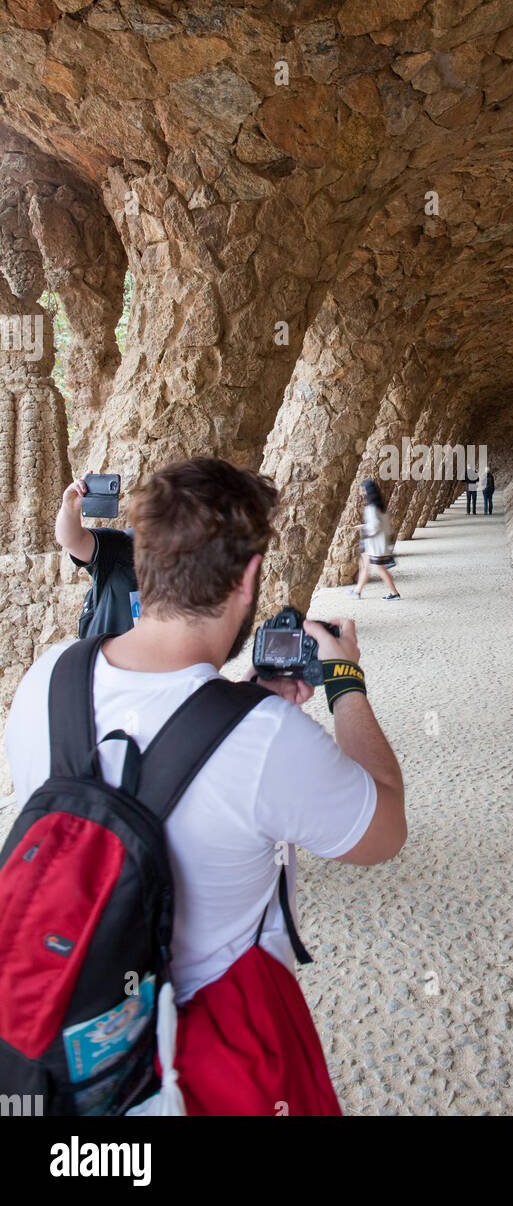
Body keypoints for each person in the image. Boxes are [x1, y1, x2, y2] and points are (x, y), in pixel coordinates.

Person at [7, 457, 406, 1116]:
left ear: (145, 560)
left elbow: (146, 735)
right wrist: (345, 682)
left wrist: (231, 711)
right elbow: (384, 828)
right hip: (206, 1061)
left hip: (67, 1042)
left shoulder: (47, 678)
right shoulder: (266, 740)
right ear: (250, 578)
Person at [56, 473, 140, 636]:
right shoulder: (123, 545)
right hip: (108, 655)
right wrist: (70, 508)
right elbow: (72, 540)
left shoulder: (197, 562)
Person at [346, 478, 400, 600]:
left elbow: (374, 526)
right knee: (364, 566)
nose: (362, 492)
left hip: (374, 545)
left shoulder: (371, 508)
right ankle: (357, 591)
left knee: (379, 568)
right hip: (376, 544)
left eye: (363, 490)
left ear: (368, 491)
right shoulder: (380, 506)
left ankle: (394, 593)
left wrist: (362, 527)